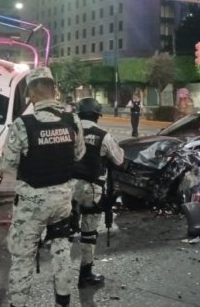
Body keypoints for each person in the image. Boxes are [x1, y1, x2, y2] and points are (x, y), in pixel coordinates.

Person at [0, 67, 86, 307]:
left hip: (31, 205)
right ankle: (63, 302)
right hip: (62, 201)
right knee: (62, 252)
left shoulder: (22, 124)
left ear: (31, 95)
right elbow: (78, 154)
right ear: (54, 90)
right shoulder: (72, 119)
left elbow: (7, 164)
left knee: (22, 258)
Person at [72, 97, 124, 288]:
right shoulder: (103, 135)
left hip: (66, 190)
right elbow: (118, 160)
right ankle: (85, 275)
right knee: (89, 233)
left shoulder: (69, 132)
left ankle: (59, 276)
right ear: (97, 115)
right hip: (91, 190)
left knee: (63, 233)